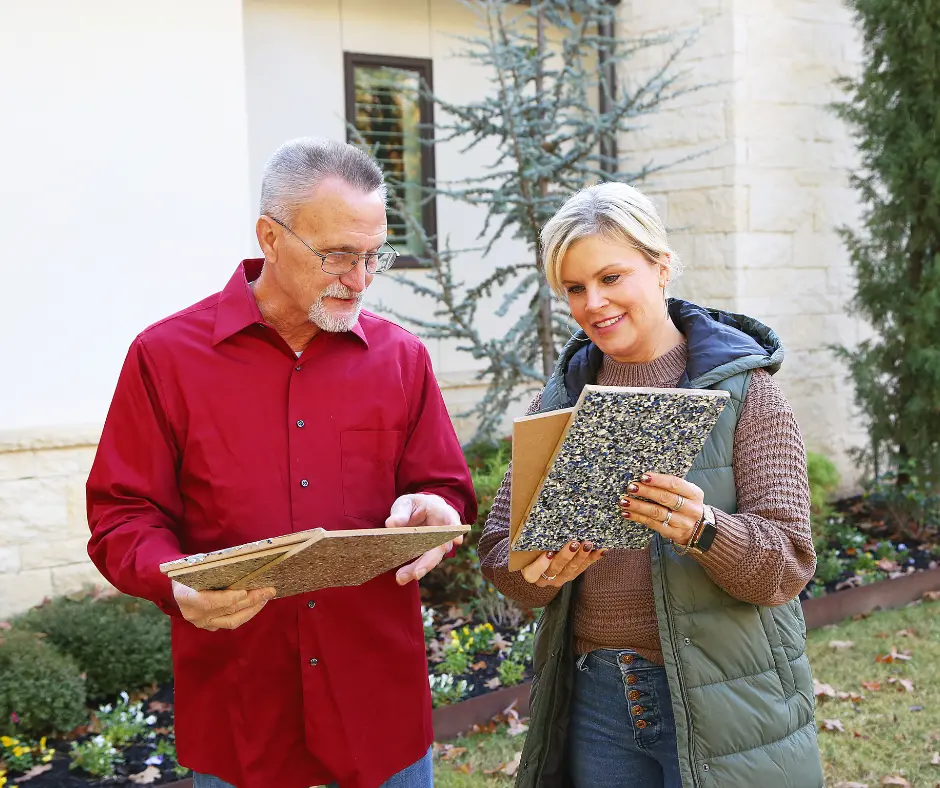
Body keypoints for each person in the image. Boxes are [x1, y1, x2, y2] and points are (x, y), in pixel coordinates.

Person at [86, 137, 477, 788]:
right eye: (338, 256)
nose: (360, 279)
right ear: (270, 237)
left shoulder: (401, 358)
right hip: (244, 716)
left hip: (378, 711)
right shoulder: (164, 358)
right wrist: (174, 584)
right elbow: (123, 516)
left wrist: (438, 510)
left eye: (374, 256)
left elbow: (442, 487)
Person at [478, 182, 823, 787]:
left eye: (612, 277)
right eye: (575, 289)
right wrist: (534, 572)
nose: (594, 303)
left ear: (660, 267)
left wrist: (705, 530)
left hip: (726, 700)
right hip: (597, 701)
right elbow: (501, 554)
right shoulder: (559, 401)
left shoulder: (746, 393)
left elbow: (788, 566)